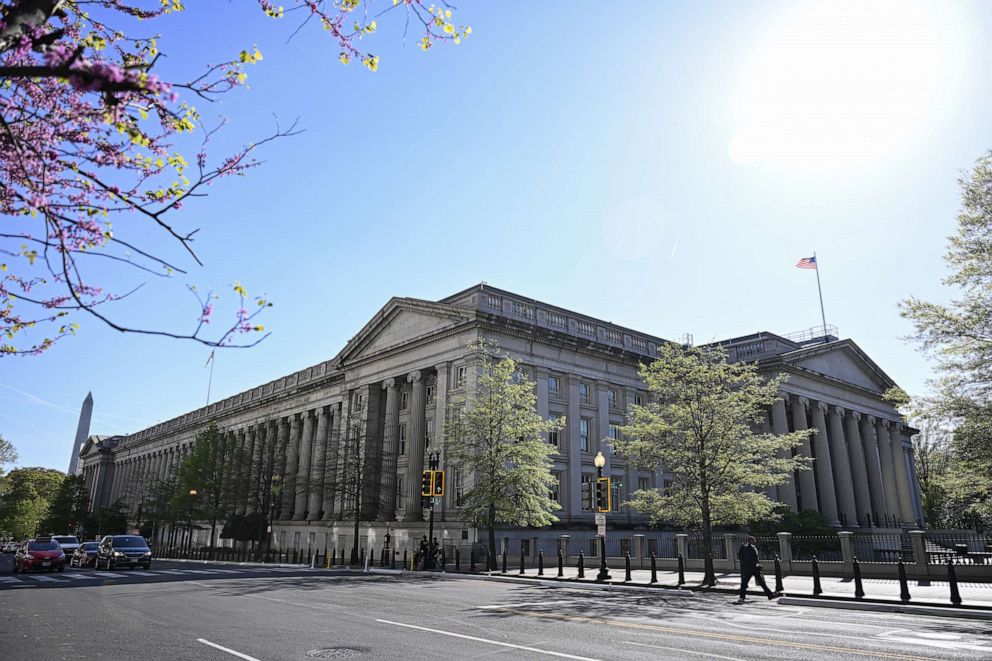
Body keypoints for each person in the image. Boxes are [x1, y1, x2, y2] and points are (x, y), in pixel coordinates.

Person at [737, 536, 777, 603]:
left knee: (761, 582)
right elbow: (749, 559)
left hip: (753, 568)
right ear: (749, 541)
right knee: (744, 583)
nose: (754, 541)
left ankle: (770, 594)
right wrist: (757, 565)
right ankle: (741, 597)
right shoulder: (747, 548)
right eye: (753, 540)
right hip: (749, 568)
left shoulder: (752, 547)